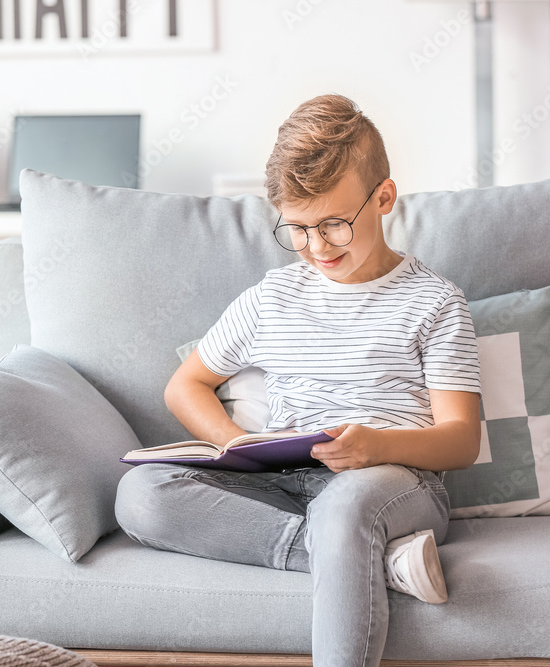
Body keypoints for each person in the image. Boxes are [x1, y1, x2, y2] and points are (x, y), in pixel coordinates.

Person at [114, 93, 482, 667]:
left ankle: (351, 544)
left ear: (383, 197)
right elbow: (185, 386)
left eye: (334, 225)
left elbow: (461, 438)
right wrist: (233, 443)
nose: (316, 248)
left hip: (393, 479)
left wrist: (373, 446)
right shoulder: (271, 298)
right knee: (142, 494)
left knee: (345, 511)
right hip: (285, 481)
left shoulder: (434, 303)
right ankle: (373, 563)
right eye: (299, 229)